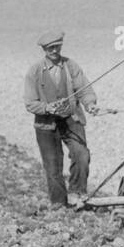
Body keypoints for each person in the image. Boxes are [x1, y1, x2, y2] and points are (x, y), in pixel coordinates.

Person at [24, 30, 98, 207]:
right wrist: (47, 108)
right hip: (46, 125)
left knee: (82, 155)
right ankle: (59, 204)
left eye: (57, 47)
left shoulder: (71, 66)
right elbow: (30, 103)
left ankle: (77, 193)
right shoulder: (34, 71)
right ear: (44, 50)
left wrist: (90, 104)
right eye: (50, 48)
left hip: (71, 119)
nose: (55, 51)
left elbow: (85, 89)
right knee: (53, 165)